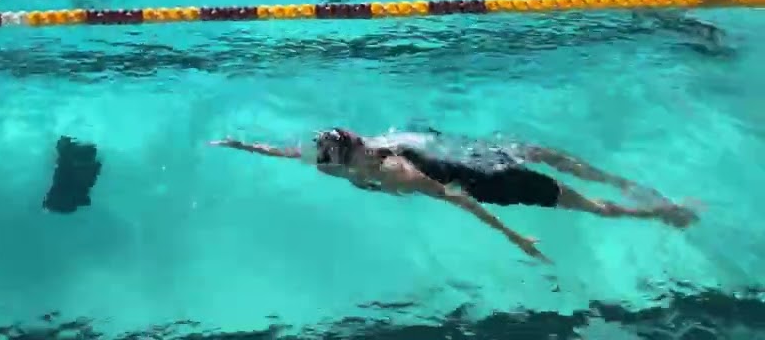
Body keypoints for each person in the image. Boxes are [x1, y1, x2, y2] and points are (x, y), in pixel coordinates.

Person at [211, 127, 698, 262]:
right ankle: (646, 202)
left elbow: (460, 199)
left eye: (347, 141)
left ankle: (656, 209)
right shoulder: (336, 165)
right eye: (340, 146)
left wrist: (516, 240)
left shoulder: (393, 171)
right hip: (482, 169)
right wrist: (240, 145)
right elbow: (284, 153)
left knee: (577, 190)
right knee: (549, 160)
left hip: (488, 177)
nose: (351, 142)